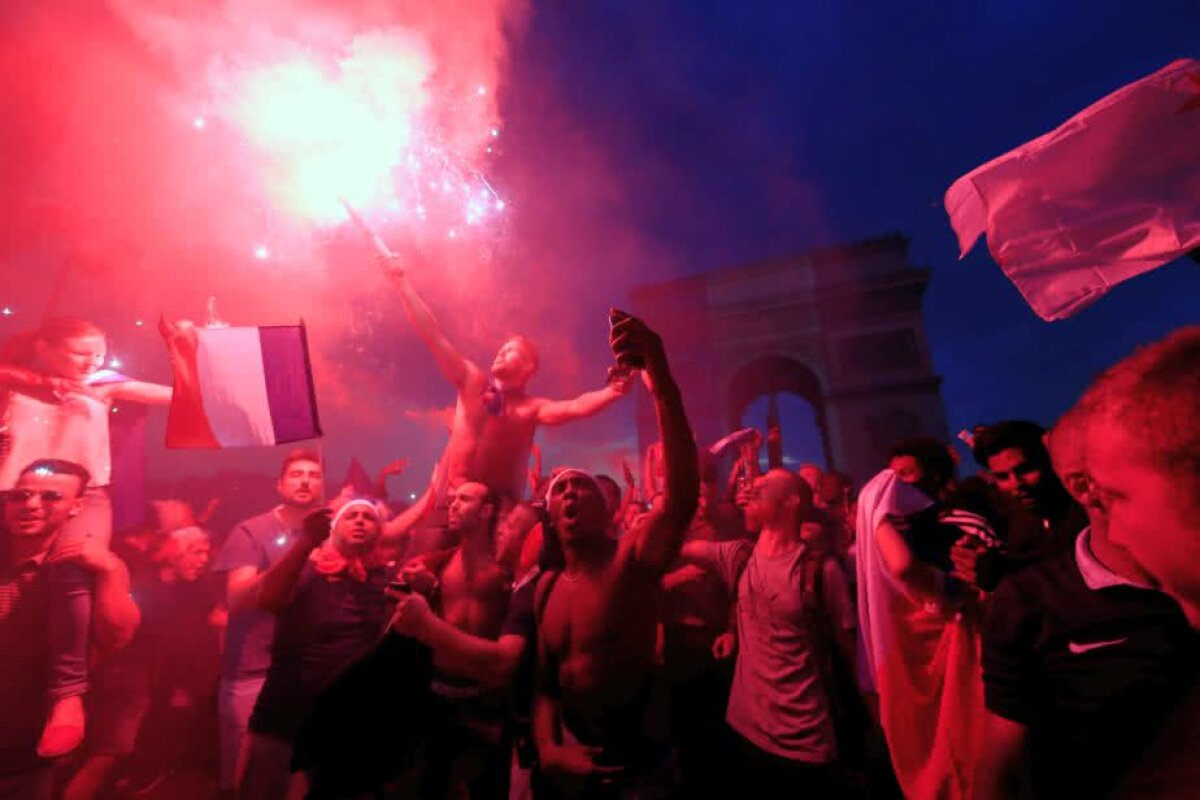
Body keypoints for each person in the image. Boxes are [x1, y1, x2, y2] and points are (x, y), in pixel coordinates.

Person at [974, 407, 1197, 799]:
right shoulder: (1028, 590)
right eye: (1002, 476)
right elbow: (1003, 752)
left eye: (1024, 470)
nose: (1015, 484)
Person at [532, 310, 698, 799]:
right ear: (550, 514)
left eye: (581, 486)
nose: (570, 494)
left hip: (639, 771)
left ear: (605, 506)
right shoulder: (546, 587)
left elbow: (681, 497)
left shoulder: (632, 558)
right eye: (560, 490)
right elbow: (544, 683)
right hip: (569, 768)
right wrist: (547, 745)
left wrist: (660, 379)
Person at [381, 255, 633, 545]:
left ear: (528, 369)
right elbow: (433, 335)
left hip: (500, 517)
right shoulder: (471, 380)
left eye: (512, 350)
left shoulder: (531, 408)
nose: (501, 352)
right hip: (451, 505)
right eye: (501, 348)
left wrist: (611, 392)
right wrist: (402, 283)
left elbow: (575, 407)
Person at [0, 459, 139, 799]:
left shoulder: (84, 571)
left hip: (25, 749)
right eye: (22, 495)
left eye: (51, 497)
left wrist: (107, 571)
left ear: (76, 506)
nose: (31, 505)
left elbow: (116, 637)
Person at [856, 460, 995, 800]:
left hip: (943, 644)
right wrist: (878, 517)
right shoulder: (892, 529)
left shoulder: (954, 523)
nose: (902, 484)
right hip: (935, 644)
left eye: (907, 473)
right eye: (897, 479)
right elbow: (904, 569)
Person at [239, 497, 393, 799]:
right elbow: (267, 599)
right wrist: (306, 542)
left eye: (368, 517)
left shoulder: (383, 580)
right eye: (351, 515)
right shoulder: (308, 567)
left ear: (379, 533)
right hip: (285, 714)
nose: (360, 520)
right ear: (332, 530)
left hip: (344, 725)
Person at [209, 449, 325, 794]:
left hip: (307, 669)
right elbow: (239, 599)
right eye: (296, 474)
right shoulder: (252, 530)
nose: (305, 480)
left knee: (298, 772)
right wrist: (301, 550)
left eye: (314, 475)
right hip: (254, 669)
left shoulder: (331, 534)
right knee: (245, 777)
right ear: (279, 485)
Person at [0, 317, 173, 547]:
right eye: (81, 354)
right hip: (17, 493)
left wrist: (178, 350)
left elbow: (178, 397)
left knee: (80, 565)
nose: (91, 363)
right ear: (43, 347)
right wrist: (46, 382)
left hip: (84, 494)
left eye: (99, 356)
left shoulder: (102, 383)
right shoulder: (12, 381)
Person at [396, 480, 516, 799]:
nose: (454, 505)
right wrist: (429, 587)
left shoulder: (506, 571)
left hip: (486, 701)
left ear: (487, 511)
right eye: (452, 499)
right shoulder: (440, 565)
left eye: (464, 499)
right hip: (438, 697)